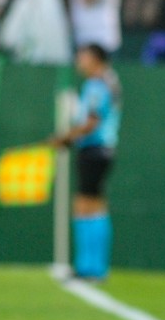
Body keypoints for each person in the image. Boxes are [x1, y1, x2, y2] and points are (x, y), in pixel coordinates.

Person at [49, 44, 122, 281]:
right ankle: (95, 267)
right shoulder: (108, 81)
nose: (80, 61)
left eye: (83, 57)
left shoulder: (98, 84)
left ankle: (88, 267)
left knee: (84, 206)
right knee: (96, 206)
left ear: (95, 59)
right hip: (103, 150)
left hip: (94, 150)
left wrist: (65, 137)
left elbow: (91, 122)